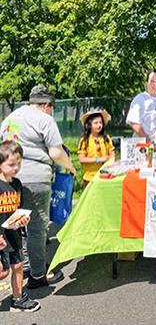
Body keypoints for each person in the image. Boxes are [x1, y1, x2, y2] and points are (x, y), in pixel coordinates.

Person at [0, 85, 76, 289]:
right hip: (36, 180)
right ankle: (38, 275)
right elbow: (56, 153)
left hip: (9, 181)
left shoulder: (9, 119)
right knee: (37, 228)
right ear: (47, 105)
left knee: (18, 225)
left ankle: (24, 266)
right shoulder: (44, 119)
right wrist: (71, 167)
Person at [0, 141, 41, 312]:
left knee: (18, 267)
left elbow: (20, 209)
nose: (16, 168)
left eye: (19, 163)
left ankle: (18, 299)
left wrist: (24, 220)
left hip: (14, 234)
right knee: (2, 272)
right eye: (11, 164)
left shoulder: (17, 184)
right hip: (0, 236)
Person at [126, 70, 156, 141]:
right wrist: (147, 140)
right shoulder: (139, 99)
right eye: (152, 81)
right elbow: (134, 123)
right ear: (146, 83)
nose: (155, 84)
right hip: (145, 146)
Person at [77, 108, 115, 188]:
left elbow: (112, 154)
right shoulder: (85, 140)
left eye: (100, 122)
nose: (99, 125)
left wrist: (110, 161)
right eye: (96, 123)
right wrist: (99, 159)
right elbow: (81, 159)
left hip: (105, 176)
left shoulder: (106, 138)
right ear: (89, 125)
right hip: (90, 178)